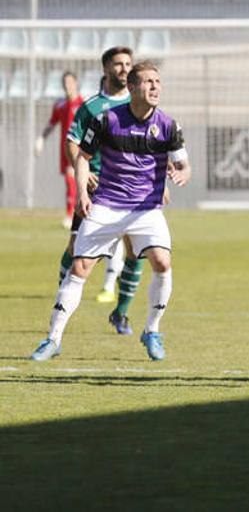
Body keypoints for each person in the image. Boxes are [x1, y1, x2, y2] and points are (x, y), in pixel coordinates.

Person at [31, 61, 190, 363]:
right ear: (132, 88)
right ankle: (53, 339)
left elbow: (183, 163)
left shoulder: (168, 125)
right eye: (148, 82)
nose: (155, 87)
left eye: (158, 81)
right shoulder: (106, 119)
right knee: (80, 269)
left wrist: (183, 173)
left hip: (146, 209)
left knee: (162, 261)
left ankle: (152, 331)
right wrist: (81, 193)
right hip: (106, 204)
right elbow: (82, 157)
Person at [64, 49, 145, 334]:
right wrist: (83, 173)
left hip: (133, 189)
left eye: (127, 64)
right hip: (97, 187)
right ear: (106, 68)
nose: (124, 69)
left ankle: (121, 313)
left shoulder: (142, 104)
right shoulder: (92, 106)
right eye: (118, 64)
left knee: (135, 251)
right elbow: (73, 142)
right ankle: (60, 304)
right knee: (76, 249)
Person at [34, 71, 83, 228]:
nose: (67, 86)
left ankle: (72, 215)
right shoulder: (60, 105)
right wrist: (41, 138)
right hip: (64, 149)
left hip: (80, 150)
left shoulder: (83, 104)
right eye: (65, 83)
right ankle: (73, 213)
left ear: (76, 84)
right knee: (70, 182)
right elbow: (52, 123)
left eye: (70, 82)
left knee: (74, 180)